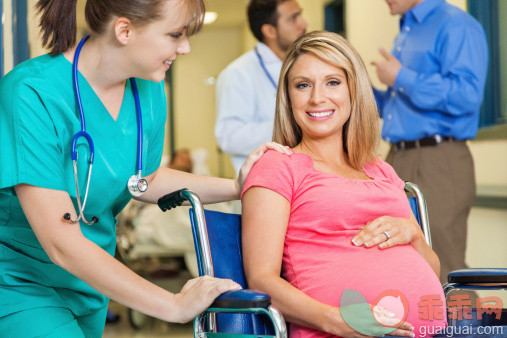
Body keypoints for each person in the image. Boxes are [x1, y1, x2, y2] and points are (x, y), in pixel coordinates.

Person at [0, 0, 292, 336]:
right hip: (20, 280)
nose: (185, 48)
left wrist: (238, 187)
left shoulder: (148, 90)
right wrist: (172, 304)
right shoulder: (31, 93)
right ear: (124, 30)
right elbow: (61, 243)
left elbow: (146, 178)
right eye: (175, 35)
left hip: (91, 282)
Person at [241, 31, 447, 338]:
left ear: (354, 89)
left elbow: (431, 270)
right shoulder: (277, 167)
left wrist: (414, 235)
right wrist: (335, 320)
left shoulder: (381, 170)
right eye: (302, 85)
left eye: (333, 82)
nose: (317, 98)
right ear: (288, 97)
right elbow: (261, 279)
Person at [371, 0, 488, 283]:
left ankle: (466, 329)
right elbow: (404, 107)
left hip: (438, 159)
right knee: (398, 263)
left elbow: (467, 96)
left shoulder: (456, 24)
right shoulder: (408, 29)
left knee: (444, 265)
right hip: (397, 158)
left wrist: (401, 77)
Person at [215, 0, 307, 175]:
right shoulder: (238, 73)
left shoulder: (302, 65)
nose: (303, 23)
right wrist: (291, 123)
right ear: (270, 30)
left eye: (300, 15)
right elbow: (228, 138)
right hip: (263, 184)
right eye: (294, 18)